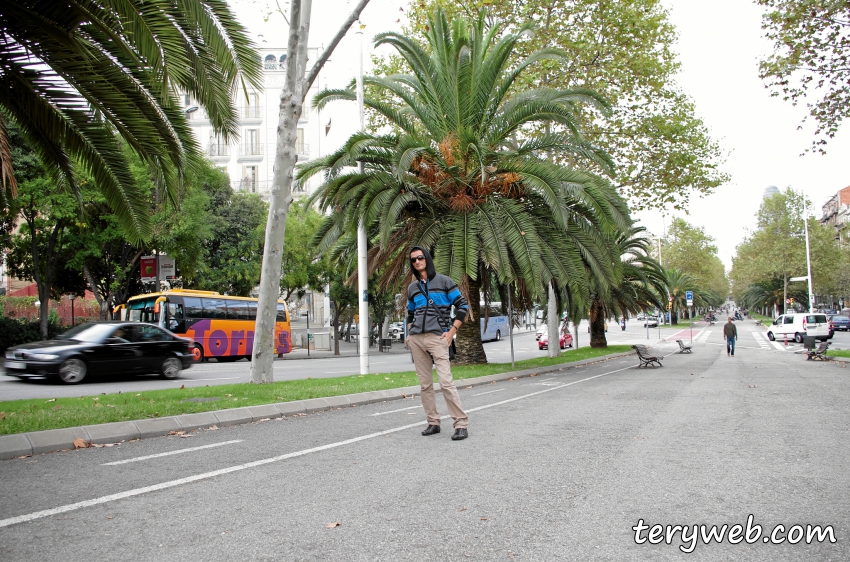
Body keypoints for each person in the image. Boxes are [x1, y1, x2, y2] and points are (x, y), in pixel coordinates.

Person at [406, 246, 470, 441]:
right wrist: (409, 333)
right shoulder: (412, 288)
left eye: (420, 257)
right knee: (425, 385)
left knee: (445, 382)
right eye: (413, 260)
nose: (417, 262)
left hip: (437, 338)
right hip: (417, 339)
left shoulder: (444, 282)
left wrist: (452, 332)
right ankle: (433, 422)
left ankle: (461, 424)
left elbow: (463, 305)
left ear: (427, 258)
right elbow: (410, 312)